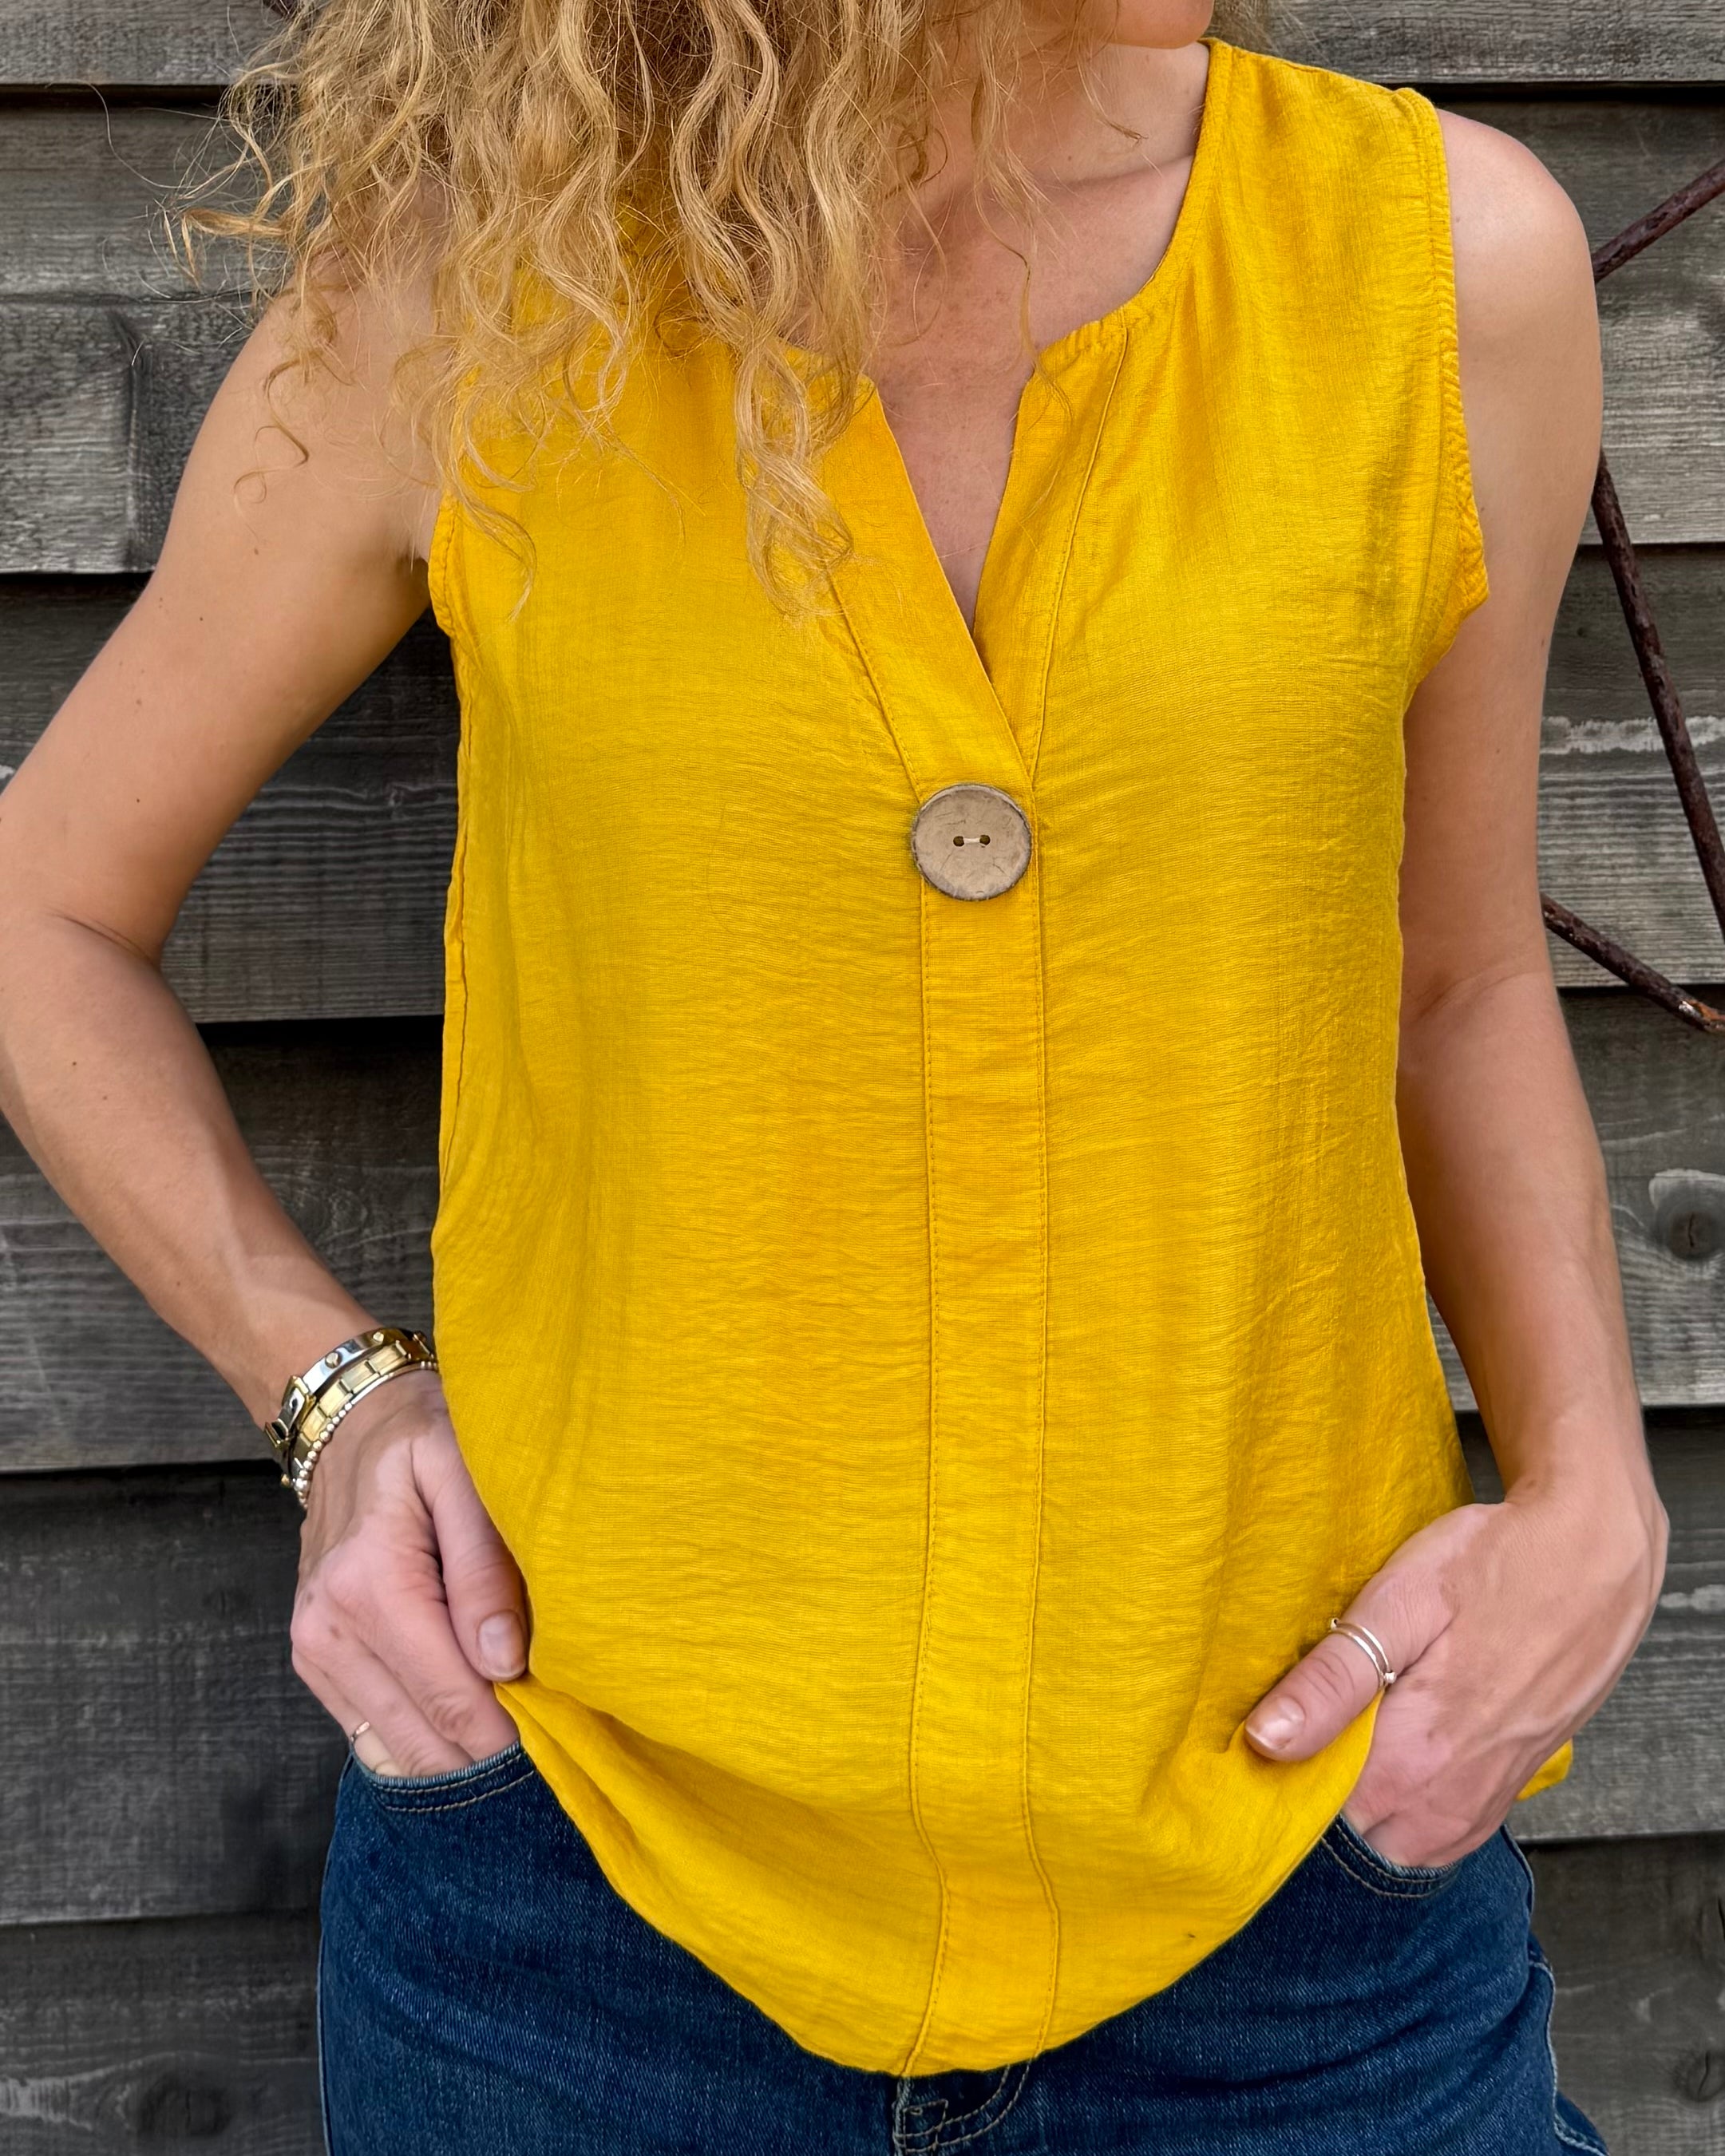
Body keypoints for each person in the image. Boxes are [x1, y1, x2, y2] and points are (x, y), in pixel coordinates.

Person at [0, 0, 1667, 2145]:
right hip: (579, 1918)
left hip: (1299, 1894)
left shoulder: (1435, 264)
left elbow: (1448, 984)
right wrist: (322, 1390)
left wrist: (1587, 1488)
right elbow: (45, 916)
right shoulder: (491, 293)